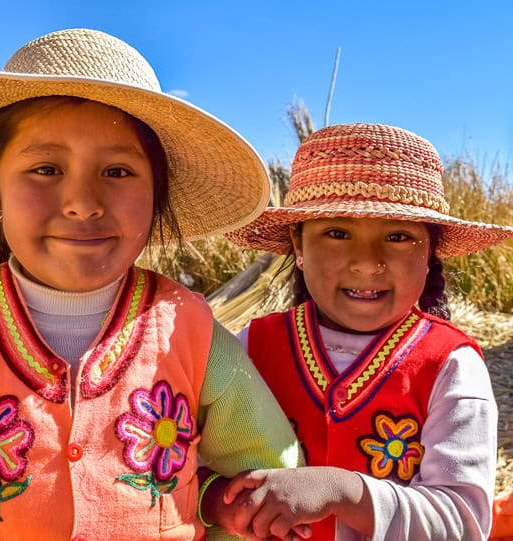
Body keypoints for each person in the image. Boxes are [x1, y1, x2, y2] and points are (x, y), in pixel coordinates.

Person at [0, 28, 302, 541]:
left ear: (156, 200)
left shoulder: (190, 333)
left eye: (117, 171)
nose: (82, 203)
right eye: (45, 168)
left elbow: (267, 481)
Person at [220, 122, 513, 540]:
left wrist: (343, 492)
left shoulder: (451, 365)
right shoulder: (250, 348)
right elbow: (198, 463)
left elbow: (462, 523)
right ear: (299, 246)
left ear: (430, 253)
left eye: (398, 236)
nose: (367, 262)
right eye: (337, 233)